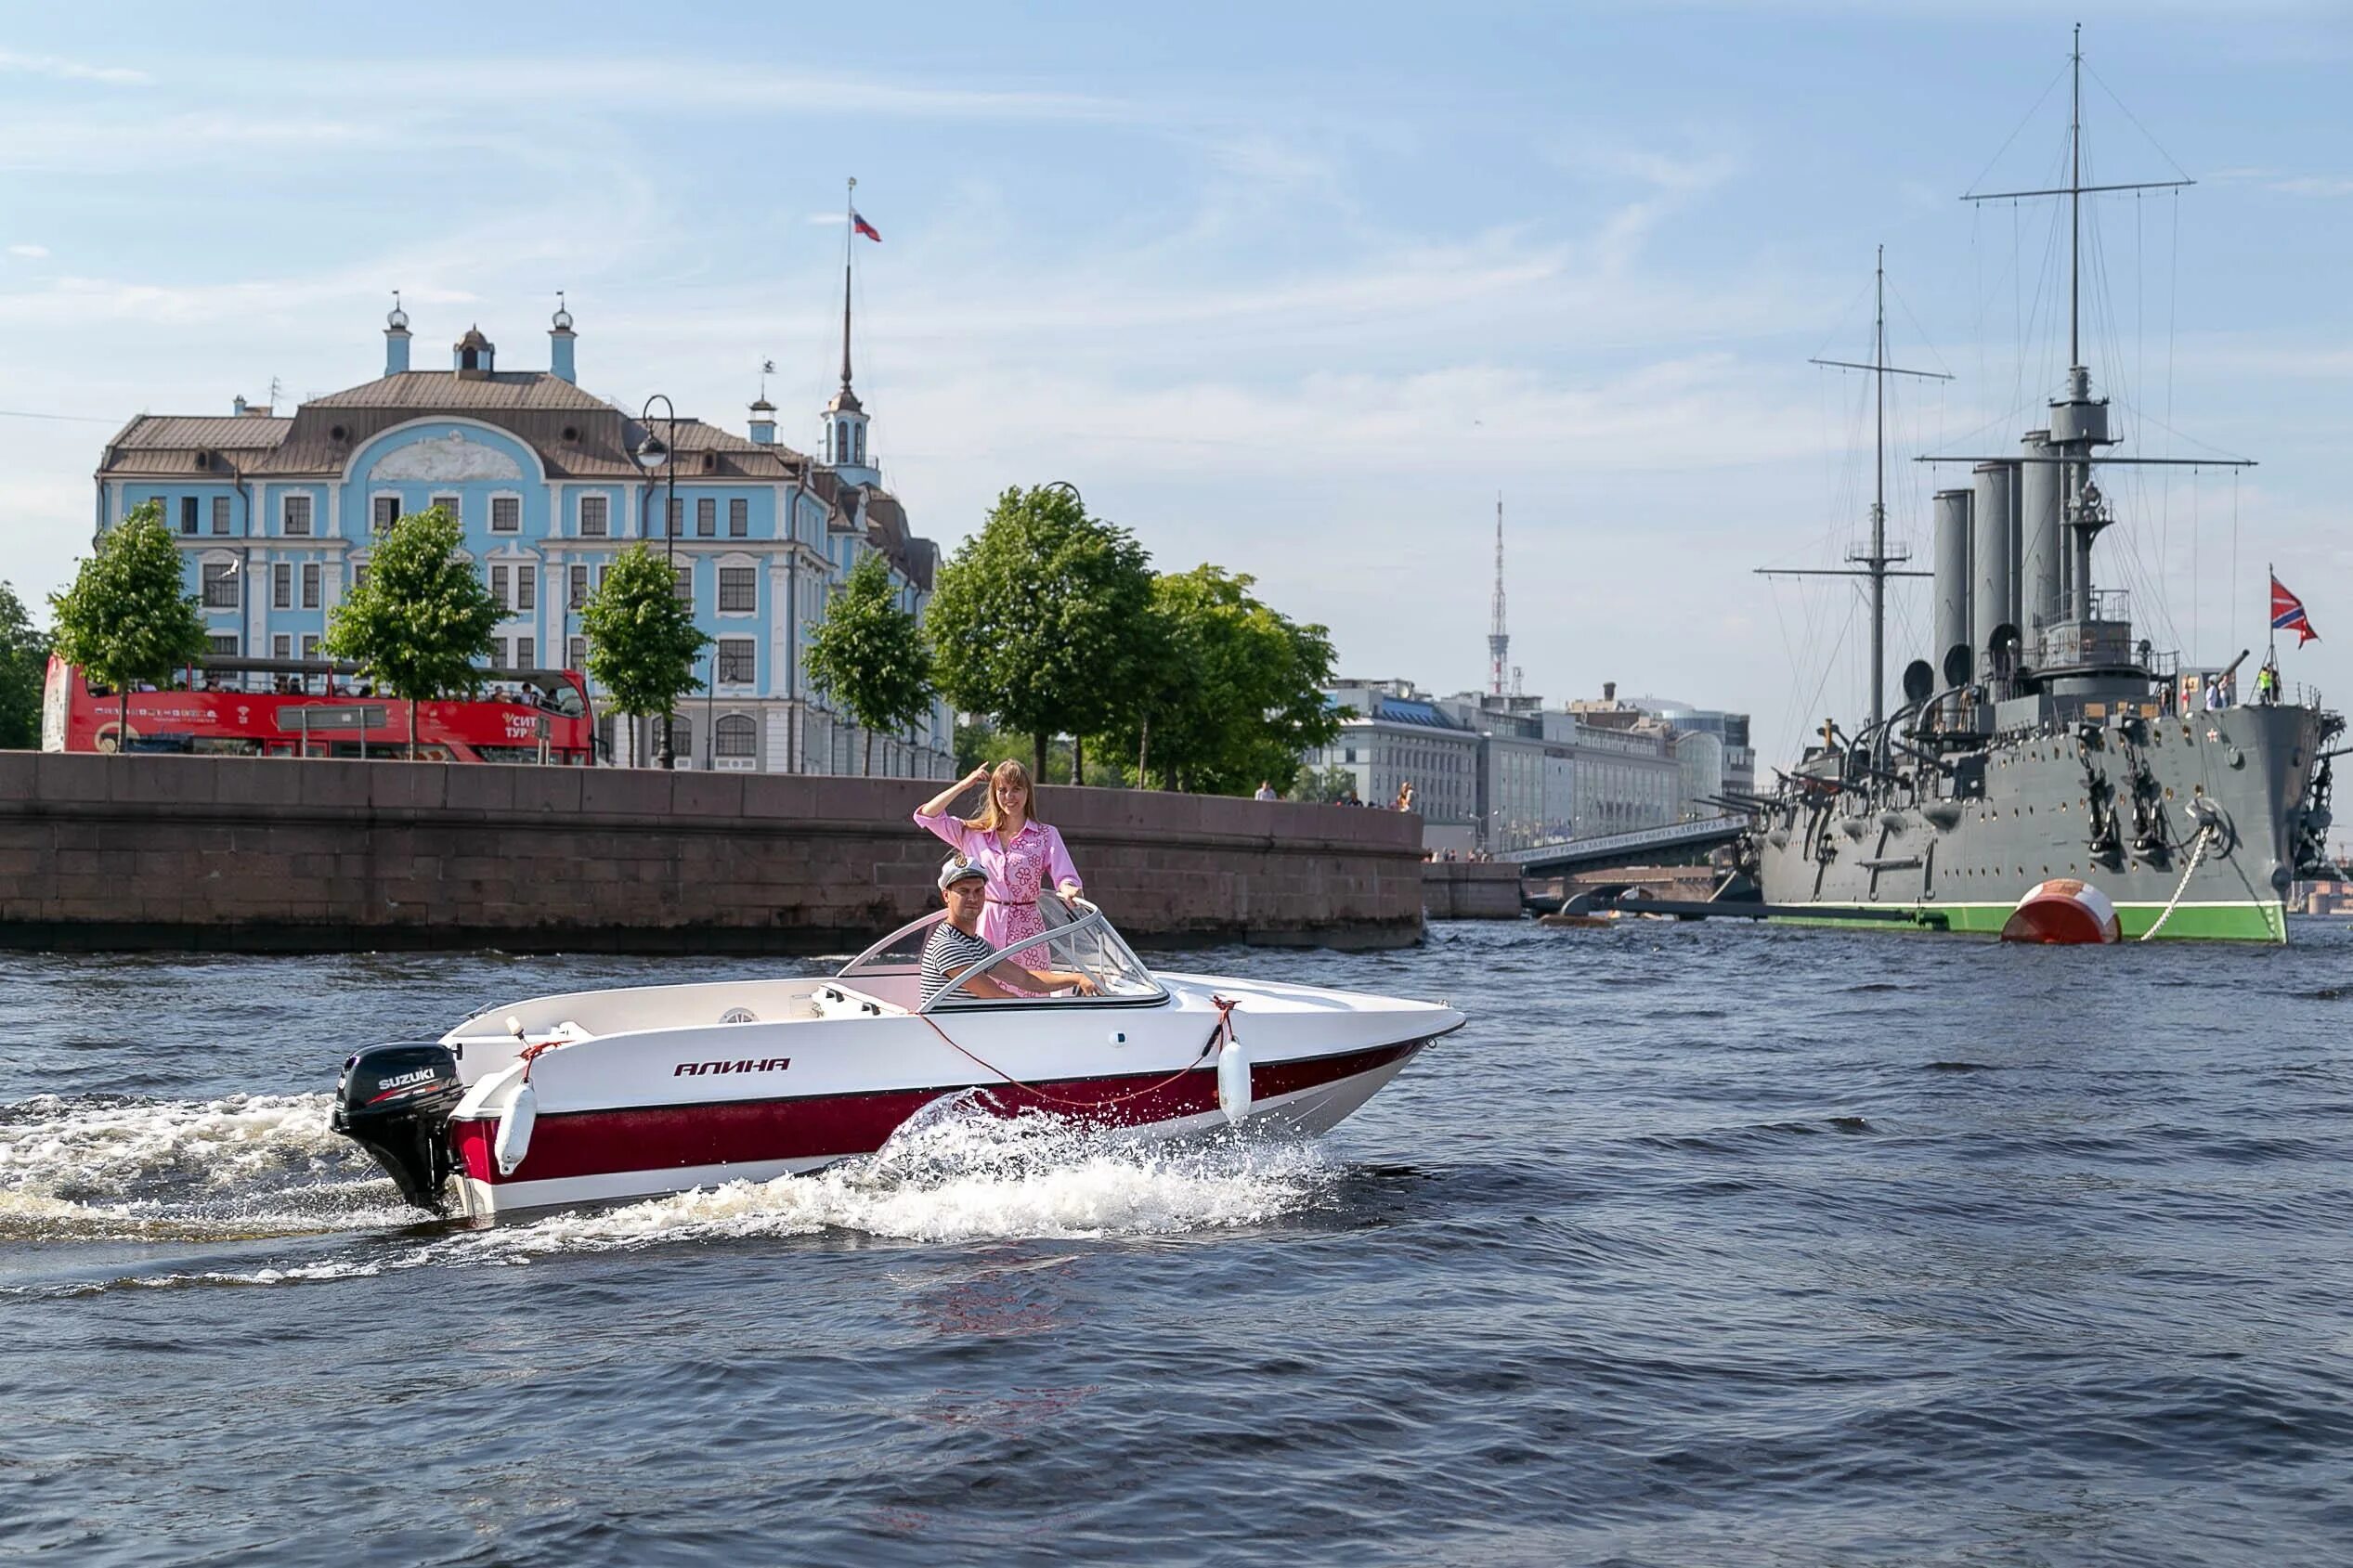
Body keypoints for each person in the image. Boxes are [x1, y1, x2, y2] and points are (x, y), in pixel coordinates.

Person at [914, 759, 1084, 968]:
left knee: (1029, 989)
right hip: (982, 925)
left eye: (1016, 789)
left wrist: (1068, 888)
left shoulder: (1046, 835)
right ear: (994, 794)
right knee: (984, 991)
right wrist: (964, 784)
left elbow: (1066, 876)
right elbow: (927, 816)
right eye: (1002, 790)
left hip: (1027, 929)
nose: (1009, 797)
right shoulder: (973, 833)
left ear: (1027, 792)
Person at [921, 856, 1099, 1007]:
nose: (973, 898)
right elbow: (996, 996)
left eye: (978, 891)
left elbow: (1025, 978)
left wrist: (1079, 978)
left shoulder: (975, 943)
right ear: (946, 896)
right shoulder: (947, 945)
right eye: (963, 891)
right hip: (951, 1038)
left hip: (967, 1035)